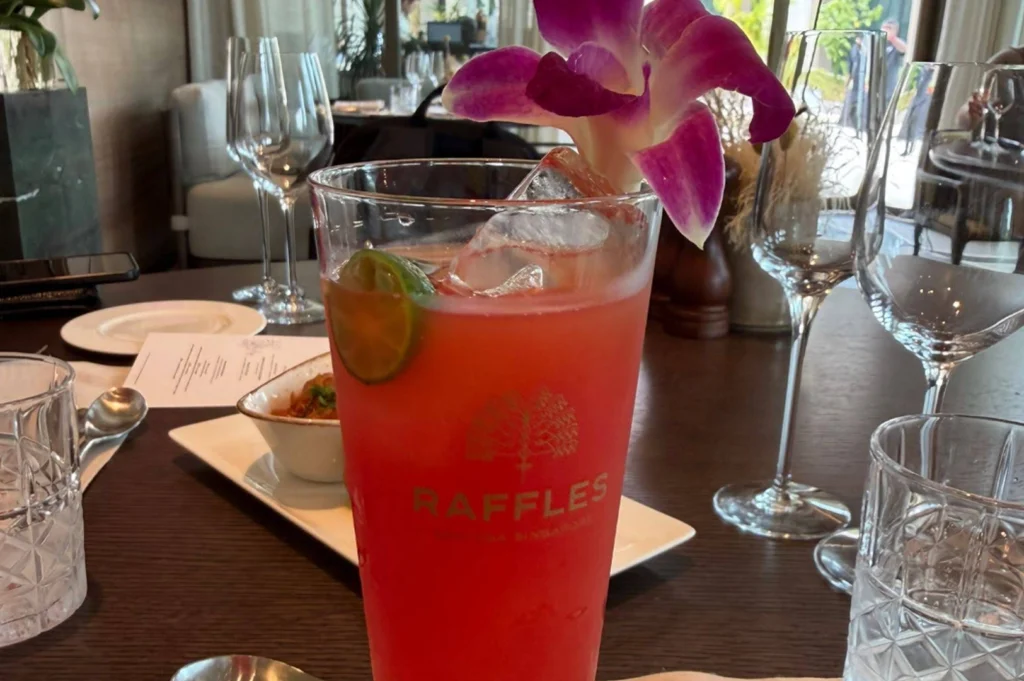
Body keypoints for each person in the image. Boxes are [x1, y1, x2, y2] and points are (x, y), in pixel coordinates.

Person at [882, 18, 908, 111]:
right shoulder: (880, 43)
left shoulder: (896, 45)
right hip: (875, 89)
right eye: (884, 27)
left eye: (889, 28)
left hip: (888, 90)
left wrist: (892, 37)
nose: (885, 30)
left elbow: (904, 49)